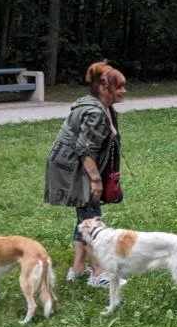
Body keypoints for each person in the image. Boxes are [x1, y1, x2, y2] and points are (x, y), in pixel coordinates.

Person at [44, 60, 125, 287]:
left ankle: (78, 268)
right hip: (73, 167)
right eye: (118, 87)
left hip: (76, 164)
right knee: (91, 216)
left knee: (85, 214)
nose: (124, 91)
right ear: (102, 88)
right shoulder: (95, 113)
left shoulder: (104, 107)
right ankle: (99, 274)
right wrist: (95, 180)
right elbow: (84, 148)